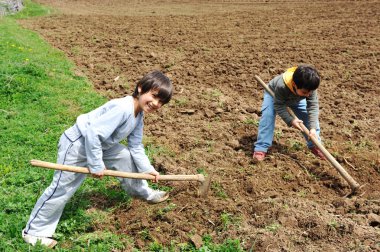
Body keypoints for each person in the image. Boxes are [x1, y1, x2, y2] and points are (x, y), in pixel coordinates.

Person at [22, 70, 173, 247]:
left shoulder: (139, 115)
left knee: (125, 156)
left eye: (161, 101)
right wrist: (96, 164)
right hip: (78, 145)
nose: (156, 103)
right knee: (62, 188)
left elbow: (136, 146)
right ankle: (33, 232)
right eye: (154, 96)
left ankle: (143, 192)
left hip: (101, 145)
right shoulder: (123, 108)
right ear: (140, 88)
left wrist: (147, 169)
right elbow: (93, 133)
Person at [253, 65, 326, 162]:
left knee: (308, 119)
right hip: (274, 95)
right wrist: (291, 120)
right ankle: (261, 148)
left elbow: (312, 106)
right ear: (294, 84)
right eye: (305, 92)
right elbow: (279, 105)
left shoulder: (309, 86)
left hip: (297, 99)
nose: (308, 95)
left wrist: (312, 128)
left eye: (310, 92)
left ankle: (315, 145)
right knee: (268, 117)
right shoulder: (281, 86)